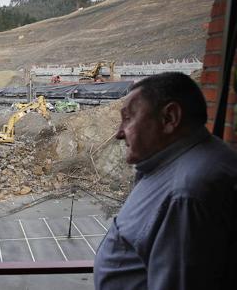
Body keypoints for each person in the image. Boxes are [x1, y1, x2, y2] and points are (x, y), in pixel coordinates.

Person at [94, 72, 237, 289]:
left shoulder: (186, 195)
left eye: (129, 118)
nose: (119, 133)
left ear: (169, 118)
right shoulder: (184, 165)